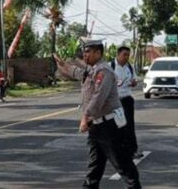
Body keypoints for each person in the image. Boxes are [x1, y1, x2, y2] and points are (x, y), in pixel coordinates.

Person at [54, 37, 141, 189]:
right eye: (84, 52)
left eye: (88, 52)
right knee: (95, 165)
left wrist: (85, 117)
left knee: (122, 164)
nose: (84, 55)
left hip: (109, 126)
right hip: (97, 126)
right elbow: (78, 73)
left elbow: (99, 97)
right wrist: (63, 65)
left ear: (98, 53)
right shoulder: (92, 70)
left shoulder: (105, 71)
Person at [110, 46, 139, 158]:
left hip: (127, 99)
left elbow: (135, 79)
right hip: (115, 101)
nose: (126, 57)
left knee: (129, 125)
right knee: (116, 126)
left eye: (128, 55)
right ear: (118, 54)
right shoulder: (110, 66)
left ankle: (132, 150)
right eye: (124, 55)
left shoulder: (129, 67)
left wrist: (134, 82)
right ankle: (117, 151)